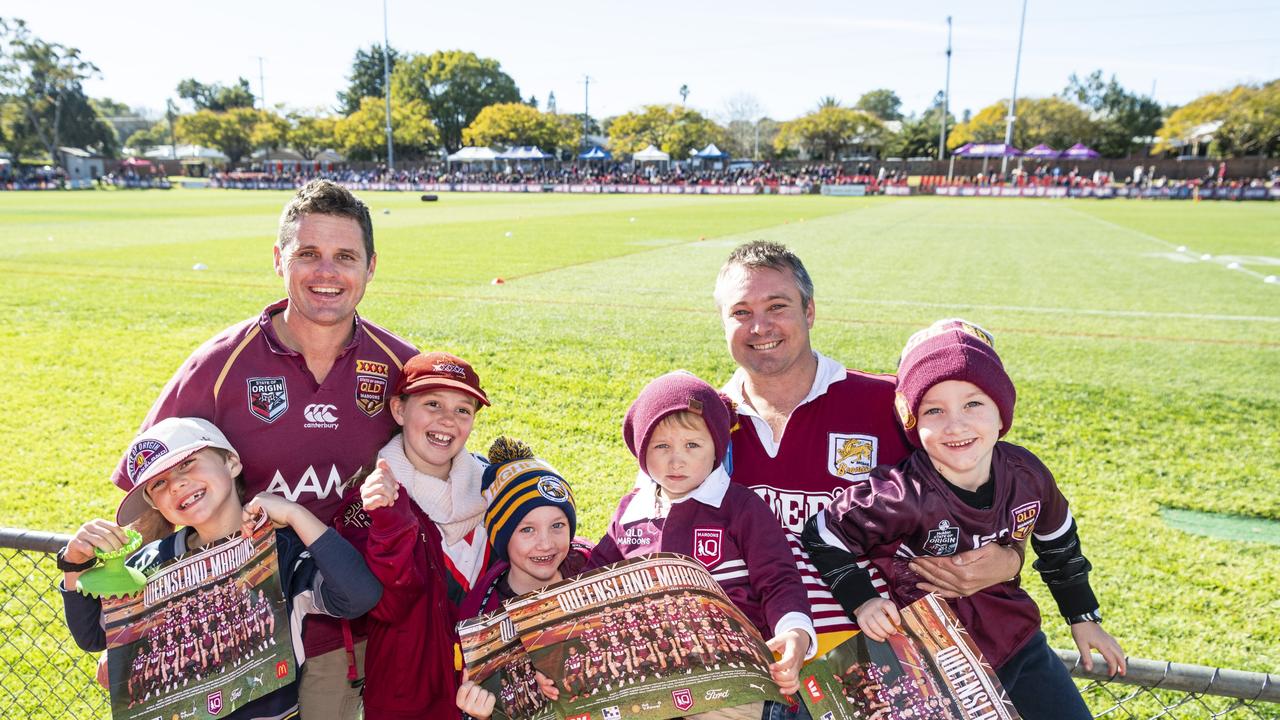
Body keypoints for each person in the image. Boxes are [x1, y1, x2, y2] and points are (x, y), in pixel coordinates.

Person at [109, 179, 418, 718]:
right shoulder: (218, 365)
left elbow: (445, 474)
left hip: (359, 624)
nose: (327, 272)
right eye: (308, 254)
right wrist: (135, 634)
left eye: (345, 255)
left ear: (371, 266)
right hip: (236, 635)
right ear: (279, 260)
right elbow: (149, 505)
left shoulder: (399, 366)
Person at [713, 241, 1023, 664]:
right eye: (741, 312)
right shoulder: (701, 423)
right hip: (753, 659)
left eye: (777, 306)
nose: (760, 326)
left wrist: (1009, 558)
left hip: (882, 655)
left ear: (810, 311)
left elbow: (994, 485)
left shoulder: (887, 404)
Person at [804, 320, 1125, 719]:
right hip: (930, 657)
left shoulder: (1027, 475)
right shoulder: (900, 494)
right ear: (912, 421)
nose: (955, 425)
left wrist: (1083, 616)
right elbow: (822, 534)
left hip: (1016, 641)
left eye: (973, 404)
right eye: (934, 410)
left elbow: (1059, 540)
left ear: (1001, 411)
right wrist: (862, 600)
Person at [62, 417, 381, 720]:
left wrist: (295, 514)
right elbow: (93, 636)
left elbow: (360, 596)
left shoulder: (277, 549)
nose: (176, 485)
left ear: (231, 462)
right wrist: (74, 563)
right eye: (159, 483)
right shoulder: (149, 562)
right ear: (155, 504)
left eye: (187, 463)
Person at [586, 371, 817, 717]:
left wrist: (794, 631)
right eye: (661, 446)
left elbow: (779, 579)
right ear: (641, 449)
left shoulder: (739, 507)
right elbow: (592, 581)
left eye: (692, 445)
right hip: (653, 670)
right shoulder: (631, 512)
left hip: (732, 671)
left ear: (716, 450)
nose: (676, 460)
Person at [338, 351, 494, 720]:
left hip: (486, 687)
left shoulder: (491, 485)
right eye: (432, 404)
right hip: (409, 697)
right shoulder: (368, 499)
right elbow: (382, 605)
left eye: (463, 410)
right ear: (398, 410)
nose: (447, 421)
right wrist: (390, 521)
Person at [456, 438, 589, 719]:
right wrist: (481, 713)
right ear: (501, 538)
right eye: (527, 530)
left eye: (557, 526)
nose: (546, 544)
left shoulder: (592, 570)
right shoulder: (481, 613)